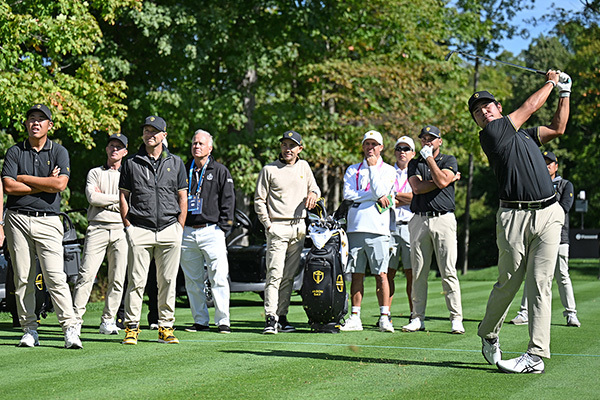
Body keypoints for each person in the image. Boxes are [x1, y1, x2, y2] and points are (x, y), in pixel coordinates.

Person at [468, 69, 571, 374]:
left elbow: (558, 128)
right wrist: (552, 82)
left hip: (549, 214)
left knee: (540, 284)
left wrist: (565, 93)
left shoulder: (525, 135)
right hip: (514, 217)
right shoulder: (491, 135)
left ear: (498, 108)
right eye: (477, 111)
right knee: (508, 284)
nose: (483, 112)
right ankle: (488, 333)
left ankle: (536, 356)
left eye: (488, 106)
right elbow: (529, 108)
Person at [1, 103, 82, 349]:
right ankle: (29, 330)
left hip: (48, 220)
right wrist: (45, 182)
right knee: (23, 278)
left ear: (49, 125)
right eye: (31, 119)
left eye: (41, 119)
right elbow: (8, 187)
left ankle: (69, 328)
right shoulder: (15, 151)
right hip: (17, 219)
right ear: (26, 124)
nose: (35, 123)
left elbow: (59, 186)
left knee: (55, 277)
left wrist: (23, 178)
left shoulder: (59, 151)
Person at [119, 115, 187, 345]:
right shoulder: (131, 162)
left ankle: (166, 327)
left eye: (154, 131)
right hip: (140, 228)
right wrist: (128, 225)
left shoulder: (176, 163)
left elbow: (182, 196)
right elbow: (123, 196)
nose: (150, 134)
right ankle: (132, 327)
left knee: (168, 281)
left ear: (164, 135)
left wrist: (180, 226)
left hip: (170, 228)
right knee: (136, 282)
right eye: (147, 130)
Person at [254, 130, 320, 334]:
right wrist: (268, 225)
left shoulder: (304, 166)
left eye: (292, 146)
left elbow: (316, 189)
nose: (287, 149)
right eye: (284, 145)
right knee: (274, 274)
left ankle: (282, 316)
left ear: (300, 148)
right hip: (278, 227)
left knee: (289, 276)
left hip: (299, 227)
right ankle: (270, 317)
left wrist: (312, 194)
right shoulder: (269, 169)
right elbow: (259, 200)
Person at [402, 125, 464, 335]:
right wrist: (444, 181)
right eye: (424, 138)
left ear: (440, 141)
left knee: (448, 271)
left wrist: (433, 165)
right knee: (419, 272)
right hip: (419, 220)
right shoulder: (413, 163)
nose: (427, 141)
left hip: (443, 220)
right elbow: (417, 188)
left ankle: (456, 318)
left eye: (432, 138)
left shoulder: (448, 160)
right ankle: (417, 317)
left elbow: (443, 178)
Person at [509, 150, 580, 327]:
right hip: (535, 236)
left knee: (562, 275)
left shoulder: (565, 185)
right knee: (531, 274)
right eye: (544, 162)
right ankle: (524, 312)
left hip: (559, 237)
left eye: (550, 163)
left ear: (556, 166)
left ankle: (571, 313)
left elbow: (563, 209)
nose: (547, 165)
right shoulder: (533, 183)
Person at [72, 133, 129, 335]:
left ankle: (108, 320)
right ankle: (75, 320)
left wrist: (108, 200)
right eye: (111, 145)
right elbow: (93, 198)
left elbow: (133, 203)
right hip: (97, 227)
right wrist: (119, 200)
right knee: (86, 274)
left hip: (122, 229)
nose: (115, 149)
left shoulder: (129, 174)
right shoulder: (95, 172)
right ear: (106, 149)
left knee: (118, 277)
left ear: (125, 152)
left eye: (119, 147)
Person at [340, 130, 397, 333]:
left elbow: (384, 194)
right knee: (356, 274)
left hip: (379, 230)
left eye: (374, 144)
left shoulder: (389, 170)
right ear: (363, 146)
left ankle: (384, 317)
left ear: (381, 147)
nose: (370, 148)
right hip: (355, 228)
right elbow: (348, 195)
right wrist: (372, 196)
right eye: (367, 144)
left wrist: (373, 172)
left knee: (381, 274)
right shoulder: (352, 170)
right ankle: (355, 317)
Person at [180, 129, 235, 334]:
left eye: (201, 143)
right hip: (187, 231)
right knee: (192, 280)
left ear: (210, 148)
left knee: (219, 277)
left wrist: (223, 227)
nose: (197, 146)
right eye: (194, 143)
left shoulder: (220, 171)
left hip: (212, 230)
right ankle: (200, 321)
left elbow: (228, 200)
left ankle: (223, 321)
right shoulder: (184, 169)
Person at [387, 136, 416, 321]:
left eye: (406, 149)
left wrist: (395, 196)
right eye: (399, 148)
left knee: (411, 274)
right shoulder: (387, 172)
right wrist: (403, 198)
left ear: (413, 153)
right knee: (387, 273)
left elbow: (416, 197)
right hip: (388, 226)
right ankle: (385, 313)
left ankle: (415, 314)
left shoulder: (418, 172)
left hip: (411, 226)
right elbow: (383, 198)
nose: (402, 152)